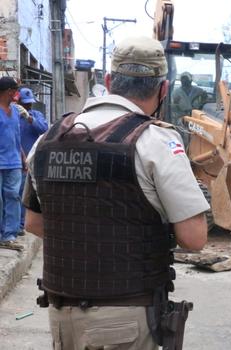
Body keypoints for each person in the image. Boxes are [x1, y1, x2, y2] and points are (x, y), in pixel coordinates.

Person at [23, 36, 209, 350]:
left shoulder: (49, 140)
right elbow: (194, 237)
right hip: (127, 320)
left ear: (108, 81)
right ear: (163, 90)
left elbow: (33, 223)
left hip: (60, 316)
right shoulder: (157, 143)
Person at [17, 87, 48, 234]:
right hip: (14, 160)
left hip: (31, 162)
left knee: (26, 194)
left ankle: (22, 223)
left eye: (30, 103)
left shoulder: (36, 115)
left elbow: (44, 129)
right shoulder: (12, 115)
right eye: (25, 103)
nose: (28, 106)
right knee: (12, 194)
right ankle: (13, 224)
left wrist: (29, 118)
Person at [0, 77, 24, 243]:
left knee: (14, 196)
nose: (17, 94)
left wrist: (22, 156)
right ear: (9, 91)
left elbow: (16, 137)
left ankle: (10, 234)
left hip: (14, 162)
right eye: (15, 90)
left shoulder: (15, 111)